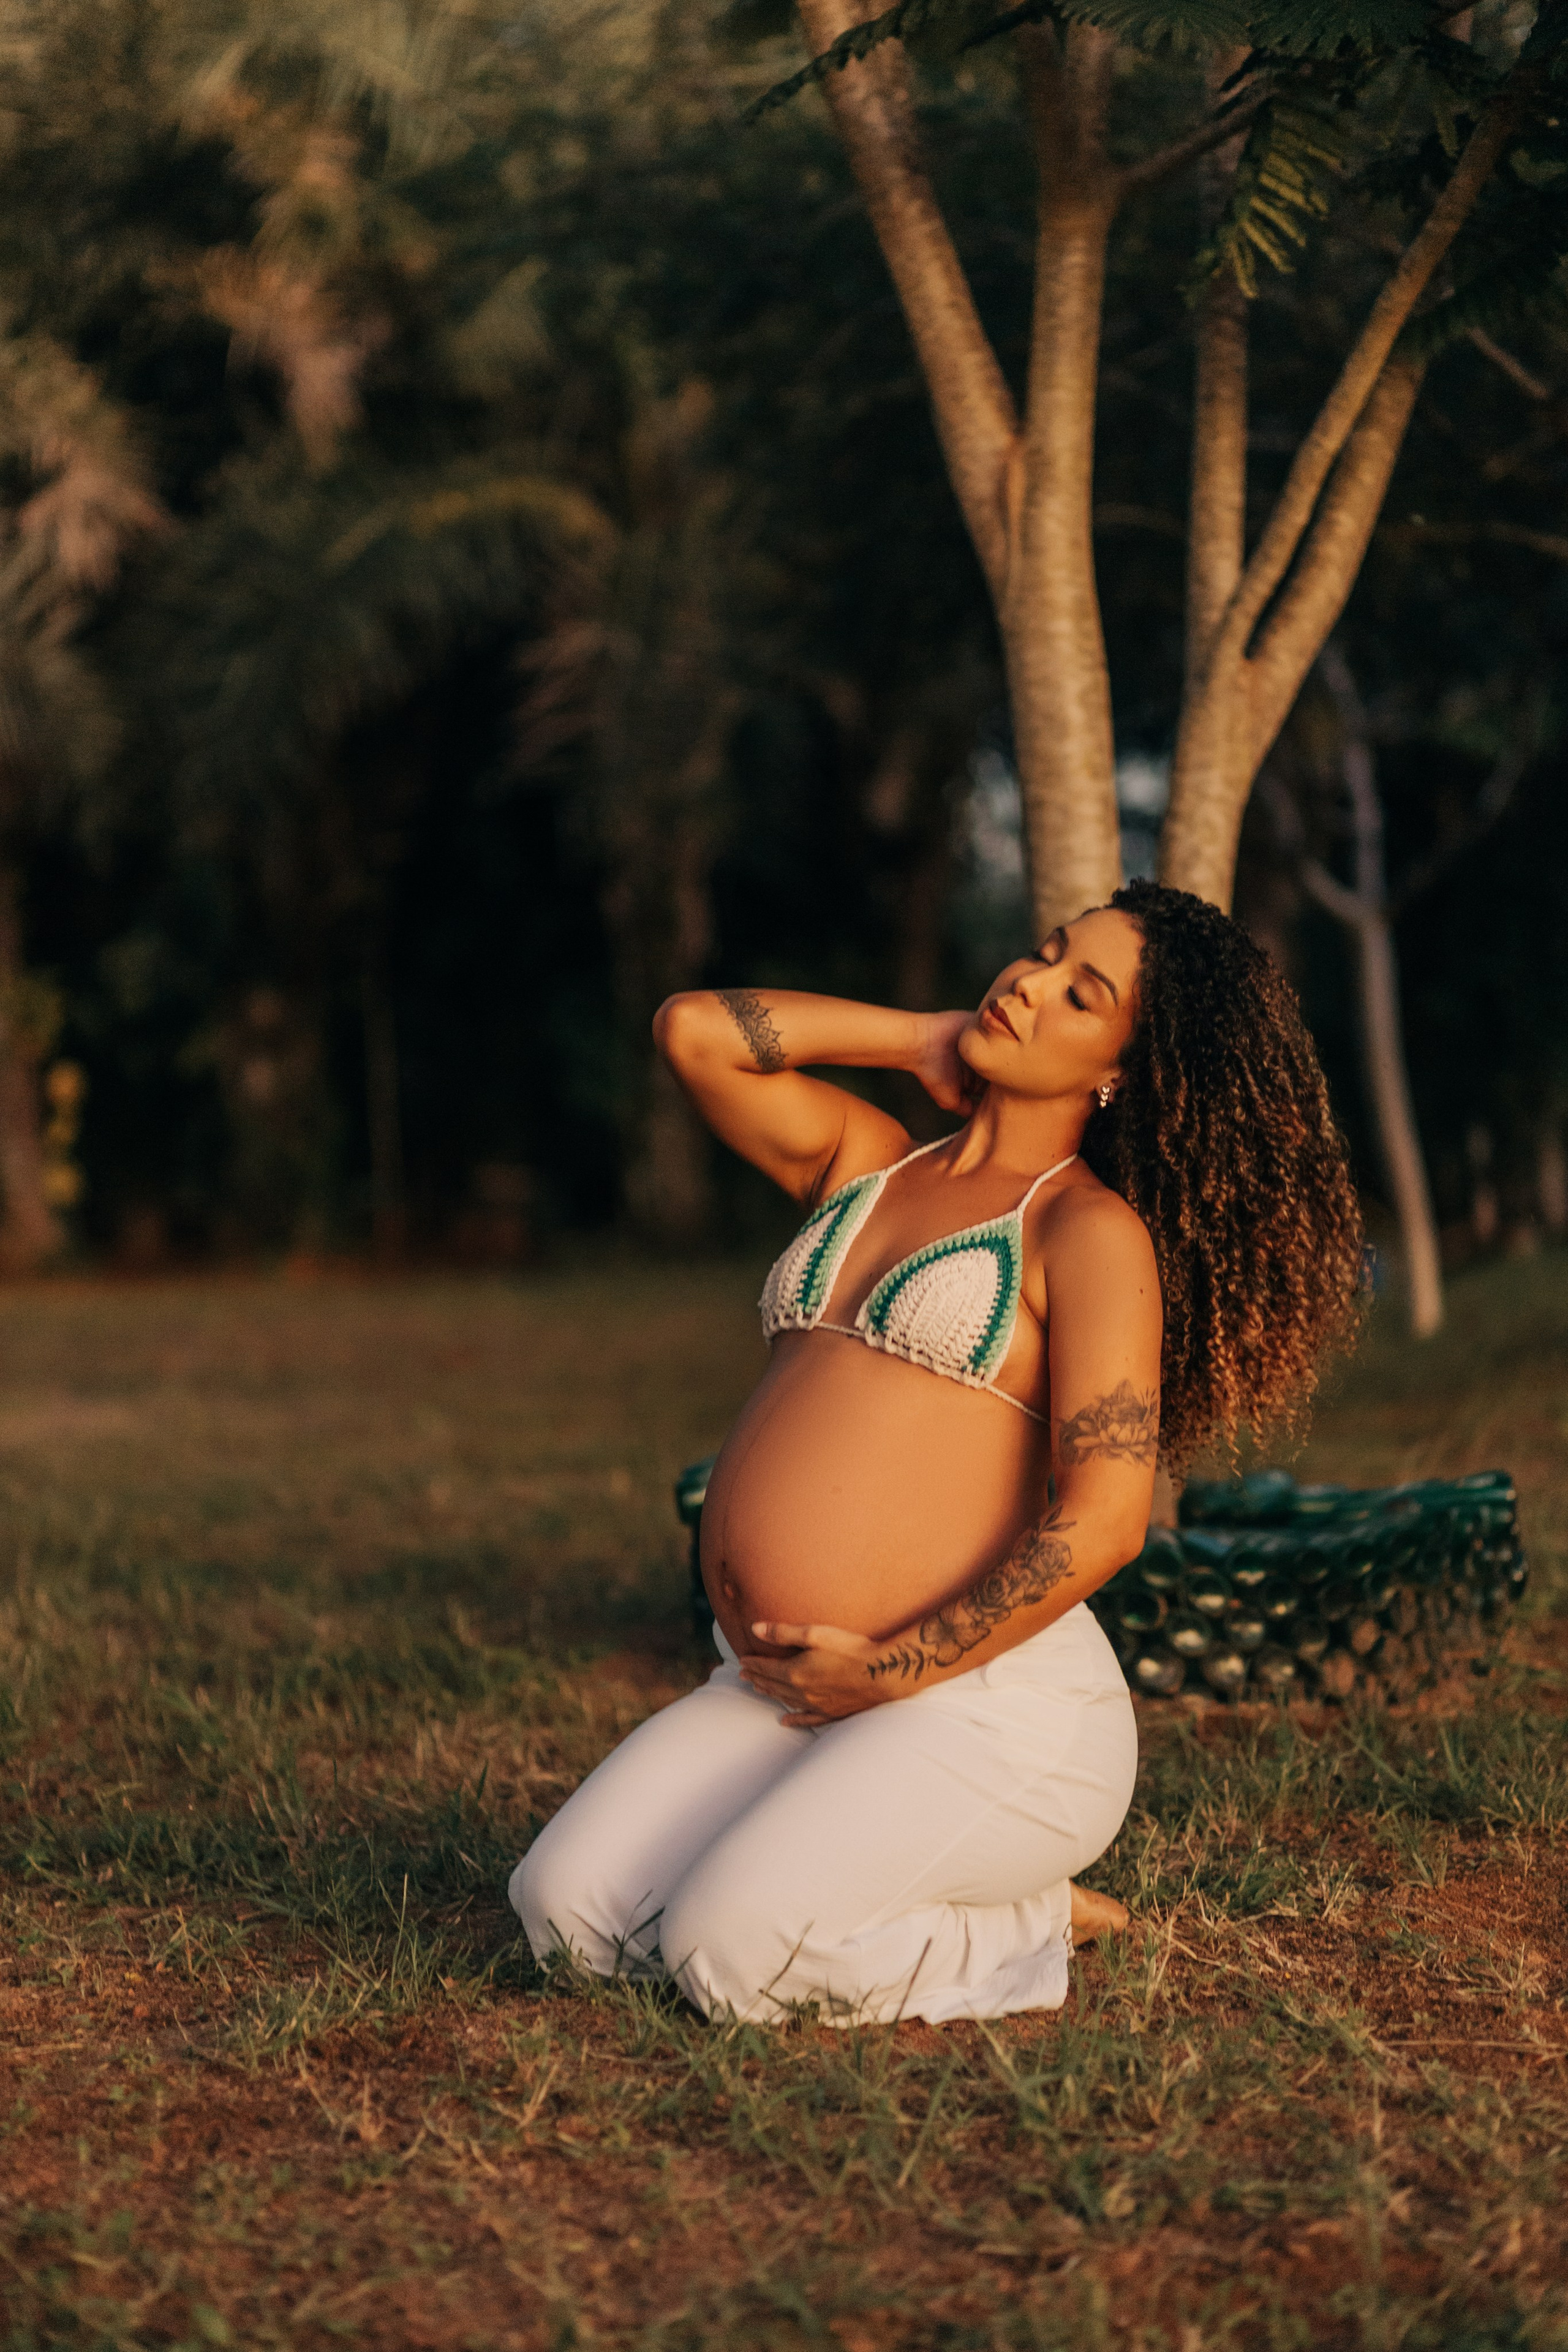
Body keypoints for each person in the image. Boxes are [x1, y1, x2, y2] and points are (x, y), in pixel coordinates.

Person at [510, 881, 1362, 2024]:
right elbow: (696, 1032)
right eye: (1043, 954)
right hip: (788, 1686)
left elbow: (1104, 1522)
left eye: (1082, 994)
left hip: (987, 1708)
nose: (1029, 982)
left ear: (1130, 1070)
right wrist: (923, 1039)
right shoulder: (870, 1166)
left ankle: (1031, 1915)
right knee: (563, 1914)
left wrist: (892, 1671)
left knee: (732, 1951)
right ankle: (823, 1858)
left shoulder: (1087, 1234)